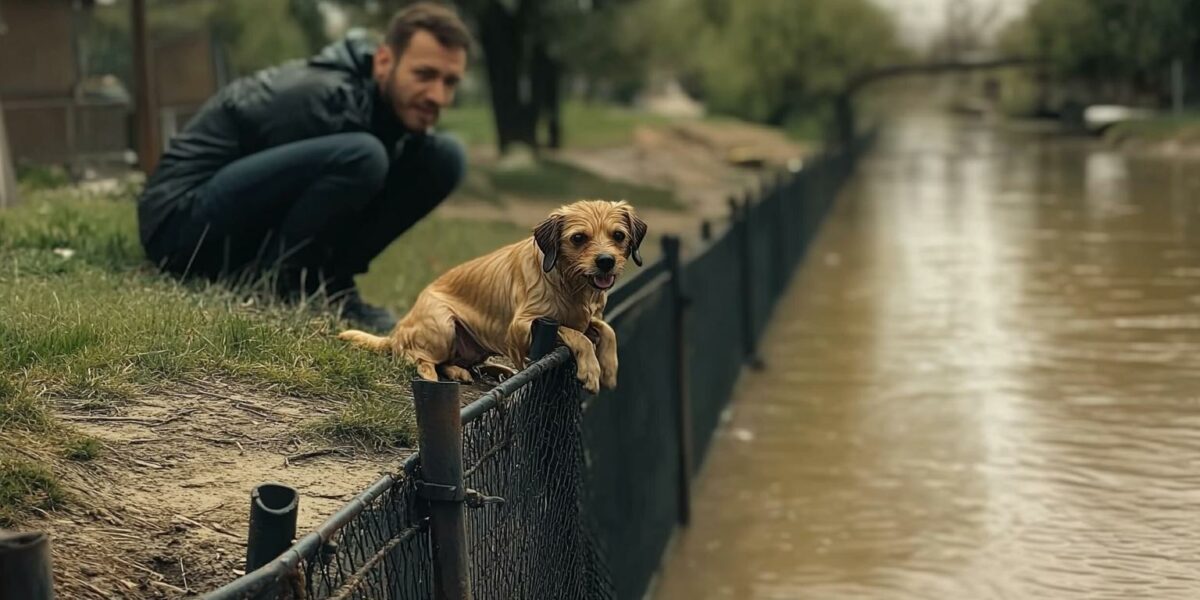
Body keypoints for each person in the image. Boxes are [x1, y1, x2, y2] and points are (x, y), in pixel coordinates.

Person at [136, 2, 472, 334]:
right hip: (178, 227)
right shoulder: (324, 98)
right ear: (384, 61)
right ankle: (281, 285)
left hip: (231, 216)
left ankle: (325, 283)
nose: (437, 96)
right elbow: (282, 198)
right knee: (363, 157)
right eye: (424, 75)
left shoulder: (379, 106)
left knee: (444, 156)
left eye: (450, 82)